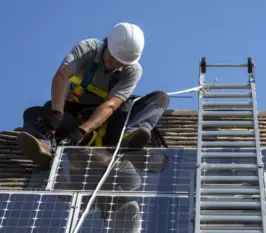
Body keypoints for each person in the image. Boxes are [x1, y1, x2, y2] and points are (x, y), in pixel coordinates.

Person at [17, 22, 170, 168]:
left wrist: (83, 131)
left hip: (113, 125)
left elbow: (111, 105)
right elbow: (61, 77)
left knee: (160, 98)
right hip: (74, 118)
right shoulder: (88, 49)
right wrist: (57, 114)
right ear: (107, 44)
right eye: (112, 58)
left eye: (121, 63)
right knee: (33, 113)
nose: (115, 64)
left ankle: (129, 136)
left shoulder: (133, 70)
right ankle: (43, 146)